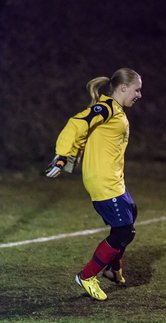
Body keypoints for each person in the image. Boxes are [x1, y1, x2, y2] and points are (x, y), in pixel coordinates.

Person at [45, 68, 142, 301]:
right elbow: (77, 124)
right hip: (103, 181)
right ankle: (87, 276)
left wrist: (72, 153)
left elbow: (85, 134)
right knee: (122, 230)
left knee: (129, 219)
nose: (139, 95)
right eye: (137, 89)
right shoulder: (106, 108)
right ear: (123, 88)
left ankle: (111, 267)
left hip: (115, 180)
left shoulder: (115, 110)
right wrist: (62, 155)